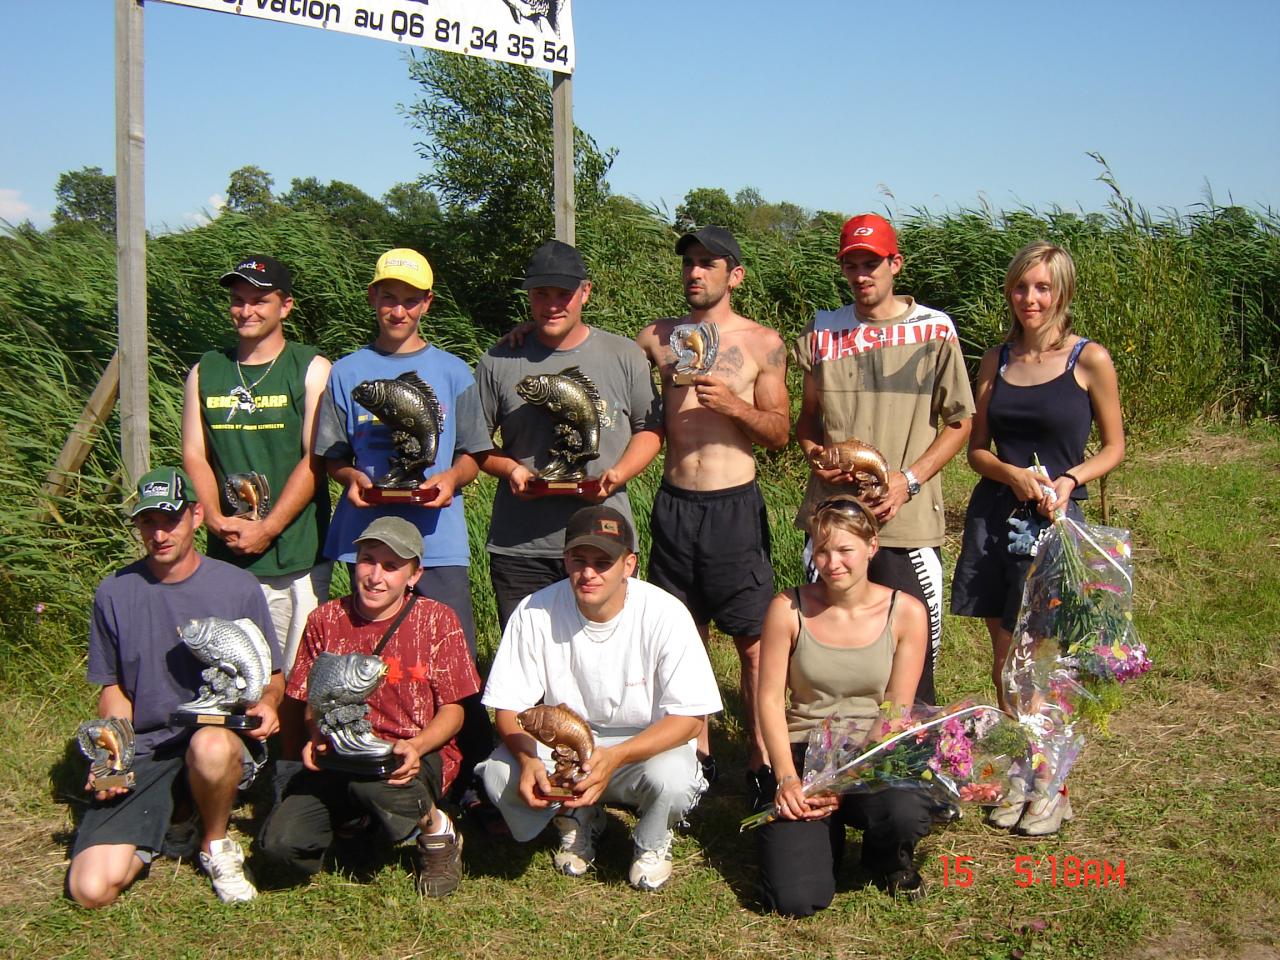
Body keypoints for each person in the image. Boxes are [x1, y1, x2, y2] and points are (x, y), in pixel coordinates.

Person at [950, 241, 1125, 835]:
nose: (1031, 299)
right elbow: (975, 450)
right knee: (1006, 662)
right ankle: (1023, 773)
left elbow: (1116, 447)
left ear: (1063, 292)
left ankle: (1054, 785)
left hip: (1056, 525)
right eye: (1022, 287)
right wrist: (1010, 473)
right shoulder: (996, 360)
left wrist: (1070, 478)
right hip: (999, 519)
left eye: (1043, 288)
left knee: (1046, 663)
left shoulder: (1088, 358)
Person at [315, 247, 492, 792]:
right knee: (368, 659)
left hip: (436, 540)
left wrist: (450, 480)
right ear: (373, 298)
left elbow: (475, 454)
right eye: (388, 298)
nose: (398, 310)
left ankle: (462, 775)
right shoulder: (346, 373)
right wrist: (351, 480)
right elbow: (331, 454)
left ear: (427, 304)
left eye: (409, 301)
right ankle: (365, 757)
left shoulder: (453, 372)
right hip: (364, 539)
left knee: (451, 664)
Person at [66, 467, 283, 908]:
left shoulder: (238, 586)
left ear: (196, 517)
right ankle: (171, 816)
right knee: (91, 890)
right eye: (149, 521)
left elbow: (270, 674)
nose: (160, 533)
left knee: (210, 747)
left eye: (171, 519)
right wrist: (112, 759)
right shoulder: (114, 592)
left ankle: (214, 843)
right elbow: (115, 691)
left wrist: (269, 704)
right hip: (147, 746)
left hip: (215, 740)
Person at [476, 506, 722, 891]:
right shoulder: (534, 611)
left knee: (673, 777)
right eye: (579, 560)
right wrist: (526, 759)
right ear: (565, 560)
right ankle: (577, 818)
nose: (588, 573)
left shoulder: (666, 614)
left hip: (644, 745)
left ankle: (652, 842)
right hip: (566, 749)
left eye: (603, 562)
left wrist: (616, 757)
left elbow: (690, 719)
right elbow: (508, 708)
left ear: (629, 565)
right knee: (498, 773)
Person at [634, 226, 789, 803]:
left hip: (733, 507)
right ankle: (696, 755)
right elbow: (591, 350)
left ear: (735, 275)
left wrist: (736, 407)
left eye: (708, 264)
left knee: (751, 641)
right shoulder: (656, 338)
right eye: (689, 264)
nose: (694, 273)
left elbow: (779, 433)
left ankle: (759, 756)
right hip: (674, 505)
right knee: (683, 636)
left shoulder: (762, 343)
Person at [794, 213, 975, 706]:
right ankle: (827, 767)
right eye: (851, 265)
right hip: (832, 525)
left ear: (896, 263)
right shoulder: (822, 330)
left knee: (914, 662)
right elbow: (807, 424)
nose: (861, 275)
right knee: (824, 653)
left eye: (871, 263)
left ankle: (909, 770)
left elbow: (961, 422)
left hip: (906, 524)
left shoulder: (934, 329)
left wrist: (908, 482)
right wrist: (815, 456)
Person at [258, 517, 480, 897]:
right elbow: (312, 699)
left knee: (380, 787)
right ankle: (357, 824)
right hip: (340, 752)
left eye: (392, 566)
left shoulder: (437, 619)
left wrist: (417, 746)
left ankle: (437, 830)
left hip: (410, 751)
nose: (376, 576)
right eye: (367, 560)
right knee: (279, 845)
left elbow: (455, 710)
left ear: (414, 575)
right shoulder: (324, 620)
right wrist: (315, 734)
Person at [182, 253, 332, 779]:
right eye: (238, 299)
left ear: (285, 306)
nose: (246, 309)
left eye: (259, 300)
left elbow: (316, 459)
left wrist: (269, 526)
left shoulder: (312, 369)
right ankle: (228, 771)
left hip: (296, 551)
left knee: (294, 677)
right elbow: (195, 455)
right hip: (229, 552)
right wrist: (216, 518)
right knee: (232, 669)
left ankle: (287, 779)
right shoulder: (206, 370)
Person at [756, 496, 932, 916]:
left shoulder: (906, 612)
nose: (832, 562)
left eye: (844, 550)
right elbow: (768, 700)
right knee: (796, 898)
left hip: (871, 752)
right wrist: (786, 779)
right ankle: (822, 838)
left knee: (904, 811)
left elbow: (895, 708)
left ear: (872, 546)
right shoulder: (787, 608)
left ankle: (885, 855)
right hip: (803, 750)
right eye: (822, 549)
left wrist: (845, 778)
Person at [474, 240, 663, 629]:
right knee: (528, 667)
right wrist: (510, 469)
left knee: (606, 661)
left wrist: (619, 474)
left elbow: (651, 429)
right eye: (542, 294)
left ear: (585, 292)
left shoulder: (625, 355)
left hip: (603, 542)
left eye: (564, 293)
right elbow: (475, 445)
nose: (553, 304)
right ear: (529, 296)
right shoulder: (498, 359)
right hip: (520, 546)